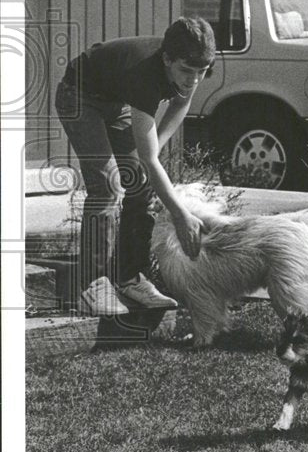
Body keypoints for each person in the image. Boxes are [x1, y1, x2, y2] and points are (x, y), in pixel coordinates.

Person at [56, 17, 216, 314]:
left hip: (116, 101)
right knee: (107, 187)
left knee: (140, 183)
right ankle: (92, 285)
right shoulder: (146, 74)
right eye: (186, 71)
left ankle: (132, 278)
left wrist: (153, 149)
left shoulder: (193, 61)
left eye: (201, 72)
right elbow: (149, 155)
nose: (193, 80)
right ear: (167, 59)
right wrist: (181, 215)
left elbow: (180, 105)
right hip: (78, 95)